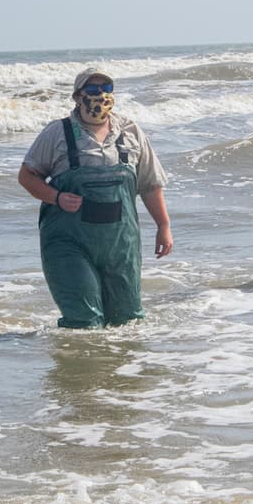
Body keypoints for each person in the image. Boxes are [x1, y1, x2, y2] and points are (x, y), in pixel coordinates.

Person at [17, 69, 173, 328]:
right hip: (69, 244)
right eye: (92, 90)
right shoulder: (58, 133)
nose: (100, 95)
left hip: (121, 245)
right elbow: (27, 176)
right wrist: (56, 197)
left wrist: (164, 227)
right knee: (83, 322)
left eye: (106, 89)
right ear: (77, 96)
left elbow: (150, 184)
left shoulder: (131, 131)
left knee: (127, 322)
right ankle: (80, 367)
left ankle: (117, 368)